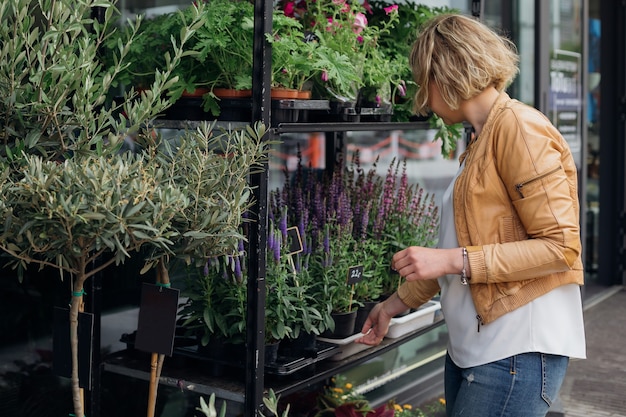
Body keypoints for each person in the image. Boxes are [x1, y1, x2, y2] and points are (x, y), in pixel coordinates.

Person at [356, 13, 586, 417]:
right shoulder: (482, 139)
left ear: (445, 73)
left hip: (515, 352)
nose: (422, 99)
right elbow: (461, 247)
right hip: (477, 351)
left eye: (423, 81)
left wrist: (447, 259)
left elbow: (560, 247)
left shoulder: (519, 128)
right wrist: (394, 304)